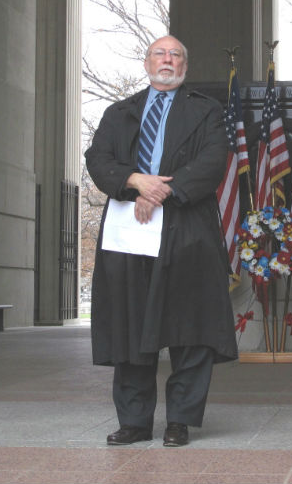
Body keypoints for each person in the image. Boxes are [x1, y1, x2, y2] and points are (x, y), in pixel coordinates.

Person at [85, 35, 238, 446]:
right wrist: (135, 182)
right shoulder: (119, 113)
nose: (167, 60)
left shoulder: (207, 111)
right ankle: (134, 422)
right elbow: (97, 160)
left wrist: (161, 192)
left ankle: (180, 420)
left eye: (175, 55)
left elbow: (213, 160)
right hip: (127, 231)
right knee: (130, 325)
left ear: (184, 66)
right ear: (147, 61)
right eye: (160, 53)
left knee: (189, 326)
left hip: (187, 229)